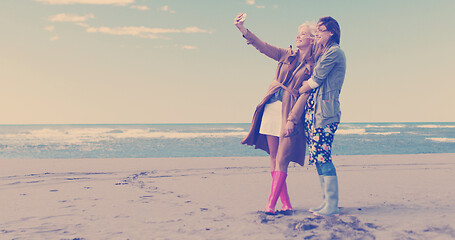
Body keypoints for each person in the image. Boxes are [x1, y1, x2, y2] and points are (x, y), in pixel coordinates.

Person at [234, 13, 315, 215]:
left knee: (283, 157)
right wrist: (243, 30)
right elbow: (263, 47)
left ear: (312, 39)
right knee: (273, 157)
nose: (298, 37)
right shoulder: (287, 54)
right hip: (271, 107)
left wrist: (293, 119)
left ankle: (270, 204)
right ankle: (285, 203)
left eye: (303, 34)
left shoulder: (313, 66)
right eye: (298, 34)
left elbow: (305, 95)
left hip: (289, 112)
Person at [298, 16, 346, 216]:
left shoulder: (334, 53)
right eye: (316, 30)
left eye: (321, 30)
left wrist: (302, 88)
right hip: (316, 112)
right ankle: (326, 202)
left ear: (331, 32)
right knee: (318, 157)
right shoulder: (324, 52)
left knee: (323, 157)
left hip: (325, 113)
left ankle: (332, 205)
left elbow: (314, 81)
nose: (317, 33)